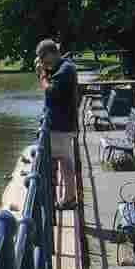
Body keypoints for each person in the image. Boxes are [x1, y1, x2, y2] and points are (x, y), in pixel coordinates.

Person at [35, 38, 79, 207]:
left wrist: (42, 75)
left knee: (55, 164)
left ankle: (57, 201)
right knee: (65, 162)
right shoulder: (64, 67)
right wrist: (45, 72)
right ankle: (68, 198)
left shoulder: (65, 70)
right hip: (63, 124)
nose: (42, 61)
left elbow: (51, 92)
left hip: (60, 125)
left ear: (51, 54)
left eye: (42, 57)